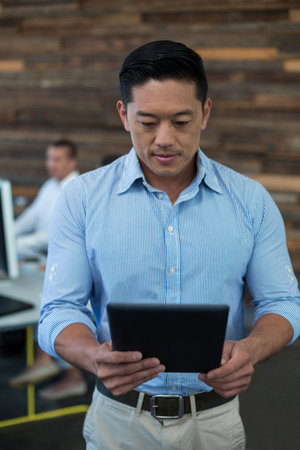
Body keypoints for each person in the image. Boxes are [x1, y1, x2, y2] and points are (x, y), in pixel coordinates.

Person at [38, 41, 300, 449]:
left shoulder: (250, 200)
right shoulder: (82, 199)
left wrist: (251, 348)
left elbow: (283, 302)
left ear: (206, 113)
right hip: (117, 421)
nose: (164, 140)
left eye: (181, 121)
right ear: (124, 114)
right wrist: (93, 357)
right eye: (148, 122)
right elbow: (58, 310)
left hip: (213, 422)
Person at [11, 139, 88, 400]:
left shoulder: (76, 189)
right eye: (49, 159)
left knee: (51, 303)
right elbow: (28, 220)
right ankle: (44, 361)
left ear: (72, 162)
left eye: (57, 159)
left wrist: (14, 244)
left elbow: (52, 233)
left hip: (67, 261)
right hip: (42, 257)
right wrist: (8, 237)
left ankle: (66, 373)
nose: (51, 165)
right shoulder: (48, 186)